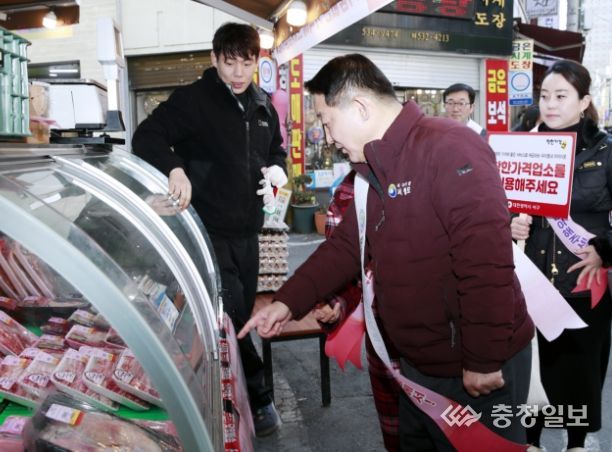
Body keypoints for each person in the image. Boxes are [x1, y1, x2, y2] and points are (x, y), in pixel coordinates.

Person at [239, 54, 534, 450]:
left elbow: (485, 261)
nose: (328, 137)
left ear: (360, 107)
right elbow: (346, 247)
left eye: (327, 121)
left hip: (472, 371)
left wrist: (483, 358)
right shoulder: (373, 169)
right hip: (415, 369)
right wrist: (286, 303)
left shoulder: (449, 146)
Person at [131, 22, 287, 437]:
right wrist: (174, 168)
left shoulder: (263, 104)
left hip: (249, 234)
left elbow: (276, 151)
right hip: (206, 232)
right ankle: (259, 397)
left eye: (246, 63)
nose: (238, 73)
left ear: (257, 61)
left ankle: (227, 396)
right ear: (214, 59)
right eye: (229, 62)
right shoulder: (194, 100)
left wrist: (277, 173)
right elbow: (146, 136)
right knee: (231, 315)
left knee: (237, 315)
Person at [510, 59, 612, 452]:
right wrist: (509, 223)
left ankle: (576, 442)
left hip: (584, 283)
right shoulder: (523, 145)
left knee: (580, 372)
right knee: (534, 368)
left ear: (584, 101)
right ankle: (532, 441)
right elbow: (499, 201)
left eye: (561, 96)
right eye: (545, 95)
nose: (550, 104)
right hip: (531, 280)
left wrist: (604, 250)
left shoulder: (605, 150)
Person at [313, 170, 401, 451]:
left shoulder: (430, 172)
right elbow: (343, 266)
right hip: (383, 342)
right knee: (396, 435)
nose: (334, 144)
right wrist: (334, 302)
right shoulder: (347, 192)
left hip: (441, 344)